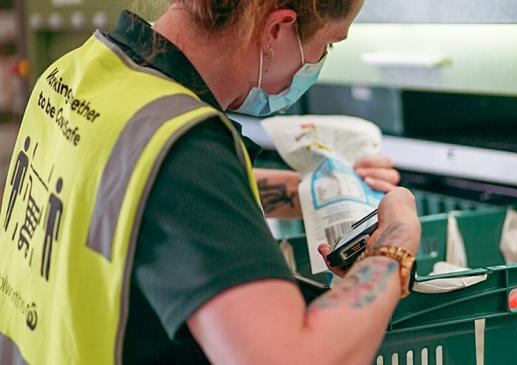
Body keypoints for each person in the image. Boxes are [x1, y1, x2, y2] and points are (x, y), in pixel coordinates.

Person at [0, 1, 421, 364]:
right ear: (277, 28)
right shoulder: (186, 147)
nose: (319, 59)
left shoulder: (77, 73)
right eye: (326, 44)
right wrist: (393, 247)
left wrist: (309, 192)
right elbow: (295, 357)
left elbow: (127, 191)